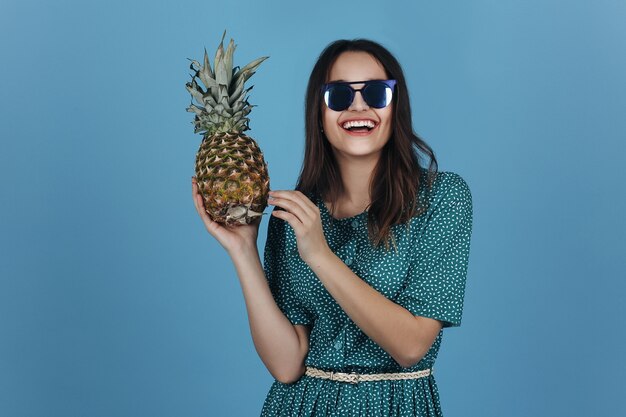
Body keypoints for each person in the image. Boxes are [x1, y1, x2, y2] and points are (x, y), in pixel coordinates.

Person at [191, 38, 473, 417]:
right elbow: (287, 365)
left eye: (375, 93)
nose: (358, 106)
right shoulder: (296, 216)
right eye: (339, 96)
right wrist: (243, 250)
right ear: (319, 115)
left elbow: (411, 346)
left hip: (397, 406)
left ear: (396, 107)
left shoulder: (441, 198)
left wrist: (320, 254)